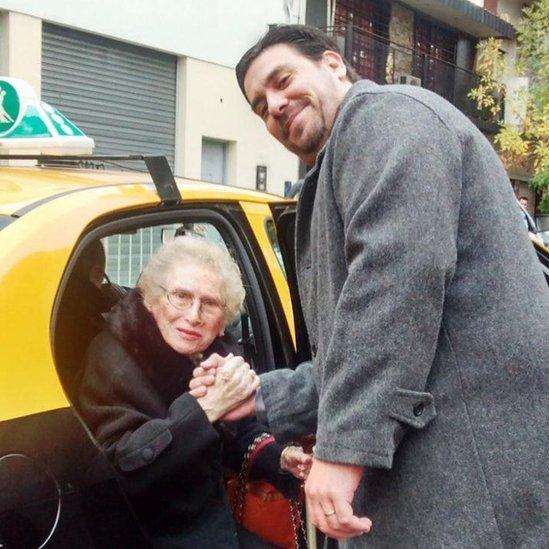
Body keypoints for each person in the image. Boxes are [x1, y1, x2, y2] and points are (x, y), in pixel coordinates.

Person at [191, 24, 549, 547]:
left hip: (477, 491)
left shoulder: (387, 118)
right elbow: (352, 352)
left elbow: (394, 288)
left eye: (282, 79)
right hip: (445, 494)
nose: (274, 104)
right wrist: (255, 394)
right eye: (259, 105)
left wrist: (342, 451)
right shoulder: (339, 166)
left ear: (334, 64)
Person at [78, 235, 311, 548]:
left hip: (213, 522)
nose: (193, 316)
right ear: (152, 300)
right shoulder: (111, 360)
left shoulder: (210, 354)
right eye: (181, 296)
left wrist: (278, 458)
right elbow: (120, 475)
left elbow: (234, 433)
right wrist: (205, 408)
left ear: (223, 319)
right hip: (149, 534)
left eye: (210, 303)